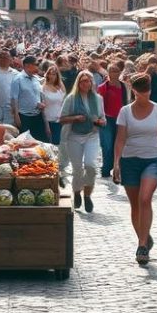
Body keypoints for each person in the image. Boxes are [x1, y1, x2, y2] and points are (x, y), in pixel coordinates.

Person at [112, 74, 157, 265]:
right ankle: (144, 236)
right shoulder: (125, 111)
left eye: (147, 90)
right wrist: (116, 163)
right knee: (135, 205)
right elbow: (120, 138)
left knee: (145, 198)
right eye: (141, 91)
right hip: (130, 160)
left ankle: (142, 245)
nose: (145, 94)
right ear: (134, 91)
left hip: (153, 159)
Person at [59, 71, 106, 212]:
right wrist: (75, 118)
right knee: (77, 169)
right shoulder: (71, 99)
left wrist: (100, 121)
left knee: (91, 166)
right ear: (78, 83)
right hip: (74, 136)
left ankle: (87, 195)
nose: (86, 83)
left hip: (92, 135)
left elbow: (103, 119)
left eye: (88, 81)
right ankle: (77, 192)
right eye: (83, 81)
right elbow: (61, 119)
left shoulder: (98, 99)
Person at [98, 62, 129, 178]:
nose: (114, 73)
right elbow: (98, 105)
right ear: (108, 72)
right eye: (111, 71)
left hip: (121, 119)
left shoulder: (124, 86)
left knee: (120, 144)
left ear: (119, 72)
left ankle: (119, 168)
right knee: (107, 145)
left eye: (116, 71)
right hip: (107, 119)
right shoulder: (102, 87)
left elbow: (126, 102)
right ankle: (106, 168)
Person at [12, 56, 50, 142]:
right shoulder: (17, 79)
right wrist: (16, 116)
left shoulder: (36, 79)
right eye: (36, 64)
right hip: (24, 117)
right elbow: (14, 99)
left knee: (41, 142)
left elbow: (39, 95)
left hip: (37, 115)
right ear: (27, 65)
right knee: (25, 144)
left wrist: (41, 103)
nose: (38, 67)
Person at [41, 63, 68, 144]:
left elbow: (64, 102)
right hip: (50, 120)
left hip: (61, 119)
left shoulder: (60, 86)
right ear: (47, 75)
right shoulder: (44, 88)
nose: (52, 76)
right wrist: (46, 125)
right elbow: (43, 108)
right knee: (54, 144)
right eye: (50, 74)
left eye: (54, 74)